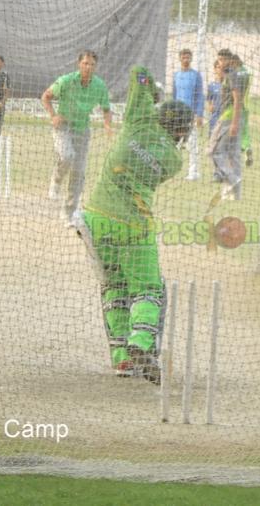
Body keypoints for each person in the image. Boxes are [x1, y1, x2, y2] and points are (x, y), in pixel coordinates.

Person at [79, 65, 193, 383]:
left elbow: (140, 72)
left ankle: (121, 359)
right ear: (181, 132)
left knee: (114, 287)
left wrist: (150, 91)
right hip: (133, 226)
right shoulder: (173, 159)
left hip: (95, 218)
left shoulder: (138, 120)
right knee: (148, 289)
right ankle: (140, 343)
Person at [41, 51, 113, 224]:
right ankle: (56, 180)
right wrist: (53, 116)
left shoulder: (99, 85)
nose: (88, 67)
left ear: (95, 67)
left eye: (92, 65)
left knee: (78, 172)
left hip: (82, 130)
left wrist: (107, 125)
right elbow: (45, 97)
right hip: (63, 126)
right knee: (67, 156)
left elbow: (106, 109)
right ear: (79, 64)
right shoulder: (66, 81)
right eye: (85, 63)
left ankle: (68, 213)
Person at [208, 49, 244, 200]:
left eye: (224, 59)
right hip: (230, 117)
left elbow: (237, 100)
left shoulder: (231, 75)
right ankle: (235, 194)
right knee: (233, 155)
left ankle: (233, 179)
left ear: (230, 60)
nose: (221, 62)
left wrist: (235, 123)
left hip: (228, 118)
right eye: (219, 59)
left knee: (213, 150)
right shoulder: (228, 75)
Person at [171, 48, 205, 180]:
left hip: (190, 115)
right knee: (175, 143)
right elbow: (174, 96)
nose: (186, 59)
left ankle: (193, 172)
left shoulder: (196, 75)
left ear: (191, 59)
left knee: (192, 143)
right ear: (179, 58)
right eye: (184, 57)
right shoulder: (176, 75)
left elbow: (199, 95)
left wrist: (199, 114)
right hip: (178, 115)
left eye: (188, 57)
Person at [230, 53, 253, 168]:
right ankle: (247, 147)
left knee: (239, 129)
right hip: (247, 104)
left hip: (239, 105)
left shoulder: (236, 74)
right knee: (245, 129)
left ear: (235, 62)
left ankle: (242, 149)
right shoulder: (248, 72)